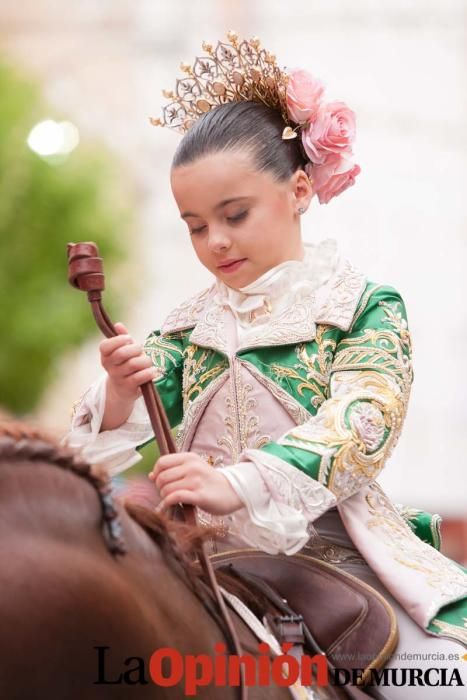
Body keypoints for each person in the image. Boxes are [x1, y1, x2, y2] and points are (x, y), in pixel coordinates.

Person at [65, 31, 467, 697]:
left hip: (340, 558)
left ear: (300, 188)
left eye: (234, 214)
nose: (214, 240)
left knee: (439, 682)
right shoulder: (187, 327)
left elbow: (362, 423)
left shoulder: (361, 307)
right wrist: (115, 388)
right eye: (195, 226)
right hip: (201, 558)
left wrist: (239, 484)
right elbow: (109, 440)